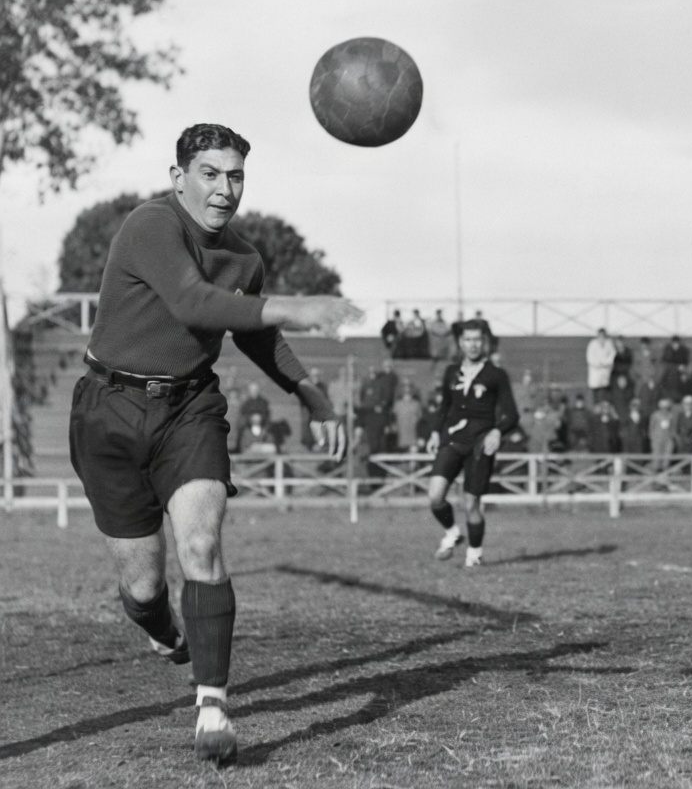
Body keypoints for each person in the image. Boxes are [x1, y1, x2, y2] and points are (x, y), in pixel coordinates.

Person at [67, 123, 359, 763]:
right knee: (144, 588)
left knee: (201, 543)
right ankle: (165, 630)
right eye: (210, 174)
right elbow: (193, 302)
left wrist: (308, 390)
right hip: (108, 410)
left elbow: (252, 334)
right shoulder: (150, 224)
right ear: (179, 178)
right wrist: (297, 306)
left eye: (236, 176)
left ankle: (212, 706)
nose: (225, 189)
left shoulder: (245, 259)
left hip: (189, 408)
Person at [426, 320, 518, 567]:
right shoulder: (451, 372)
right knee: (435, 496)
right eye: (468, 339)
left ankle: (474, 555)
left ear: (484, 342)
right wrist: (435, 432)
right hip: (453, 439)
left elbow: (512, 414)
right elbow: (444, 407)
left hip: (480, 443)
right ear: (460, 342)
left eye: (477, 339)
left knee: (471, 504)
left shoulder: (496, 375)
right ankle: (453, 533)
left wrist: (497, 432)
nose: (473, 344)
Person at [586, 328, 616, 402]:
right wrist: (599, 364)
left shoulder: (609, 343)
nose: (602, 337)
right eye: (600, 335)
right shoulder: (592, 344)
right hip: (595, 373)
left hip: (605, 373)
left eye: (603, 335)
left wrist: (605, 363)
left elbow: (612, 355)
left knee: (604, 395)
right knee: (595, 396)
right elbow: (590, 358)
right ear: (598, 335)